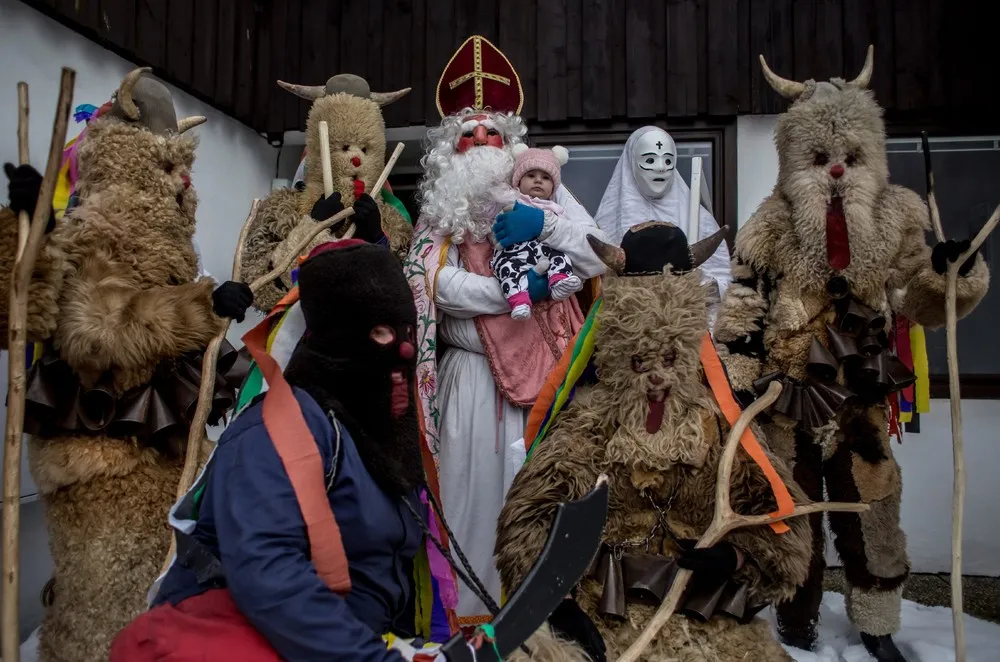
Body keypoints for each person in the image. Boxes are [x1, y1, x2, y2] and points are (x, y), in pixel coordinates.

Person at [110, 239, 590, 662]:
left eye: (406, 335)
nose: (401, 352)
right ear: (333, 343)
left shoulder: (374, 438)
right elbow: (268, 571)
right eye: (382, 335)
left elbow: (387, 573)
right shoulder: (271, 434)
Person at [712, 47, 991, 662]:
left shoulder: (895, 215)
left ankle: (877, 622)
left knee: (872, 508)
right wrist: (737, 376)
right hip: (787, 399)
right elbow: (743, 302)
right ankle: (796, 617)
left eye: (849, 158)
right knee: (790, 511)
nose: (836, 172)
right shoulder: (771, 224)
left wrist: (954, 274)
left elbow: (922, 296)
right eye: (819, 159)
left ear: (869, 155)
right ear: (793, 160)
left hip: (861, 393)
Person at [0, 68, 251, 662]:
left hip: (162, 464)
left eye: (181, 167)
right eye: (165, 168)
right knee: (105, 608)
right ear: (129, 164)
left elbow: (179, 356)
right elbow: (98, 331)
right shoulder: (92, 234)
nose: (183, 183)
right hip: (103, 467)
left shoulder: (166, 250)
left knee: (155, 598)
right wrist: (200, 308)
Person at [497, 221, 814, 661]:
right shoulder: (588, 427)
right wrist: (561, 607)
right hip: (604, 615)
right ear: (617, 352)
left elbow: (787, 531)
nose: (657, 378)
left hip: (706, 616)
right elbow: (528, 524)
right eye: (640, 360)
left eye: (669, 358)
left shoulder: (722, 431)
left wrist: (736, 561)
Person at [405, 34, 608, 628]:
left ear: (512, 145)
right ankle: (464, 617)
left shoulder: (544, 193)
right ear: (450, 150)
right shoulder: (439, 213)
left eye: (492, 134)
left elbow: (598, 254)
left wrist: (543, 223)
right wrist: (517, 293)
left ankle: (533, 615)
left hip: (542, 381)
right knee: (468, 496)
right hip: (467, 381)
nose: (480, 144)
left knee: (532, 495)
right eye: (467, 136)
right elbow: (434, 285)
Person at [241, 73, 413, 315]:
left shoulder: (391, 221)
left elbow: (406, 294)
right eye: (343, 147)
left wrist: (377, 239)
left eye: (364, 149)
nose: (355, 158)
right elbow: (260, 287)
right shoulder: (280, 211)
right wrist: (312, 227)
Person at [594, 126, 731, 325]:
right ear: (632, 162)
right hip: (629, 326)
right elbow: (596, 280)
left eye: (667, 160)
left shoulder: (701, 221)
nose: (660, 167)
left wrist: (701, 286)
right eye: (649, 160)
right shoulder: (607, 221)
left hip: (685, 324)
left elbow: (722, 277)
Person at [489, 144, 583, 319]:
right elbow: (497, 230)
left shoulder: (557, 208)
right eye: (531, 175)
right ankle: (519, 301)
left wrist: (548, 225)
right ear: (518, 182)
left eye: (546, 177)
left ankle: (559, 280)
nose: (538, 180)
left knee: (562, 256)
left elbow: (566, 235)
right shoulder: (511, 203)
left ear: (553, 186)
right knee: (507, 270)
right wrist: (499, 239)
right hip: (513, 254)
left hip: (542, 254)